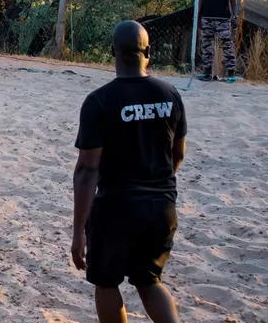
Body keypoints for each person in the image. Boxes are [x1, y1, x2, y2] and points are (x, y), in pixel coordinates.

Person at [71, 20, 186, 323]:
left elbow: (86, 170)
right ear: (148, 51)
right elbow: (178, 154)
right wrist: (158, 186)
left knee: (107, 282)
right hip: (162, 207)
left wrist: (78, 231)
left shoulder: (99, 101)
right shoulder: (170, 94)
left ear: (113, 52)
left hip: (116, 209)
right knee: (149, 281)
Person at [196, 0, 238, 83]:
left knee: (227, 44)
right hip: (207, 16)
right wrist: (198, 16)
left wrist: (234, 15)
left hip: (222, 18)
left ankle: (231, 73)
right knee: (206, 44)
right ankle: (207, 72)